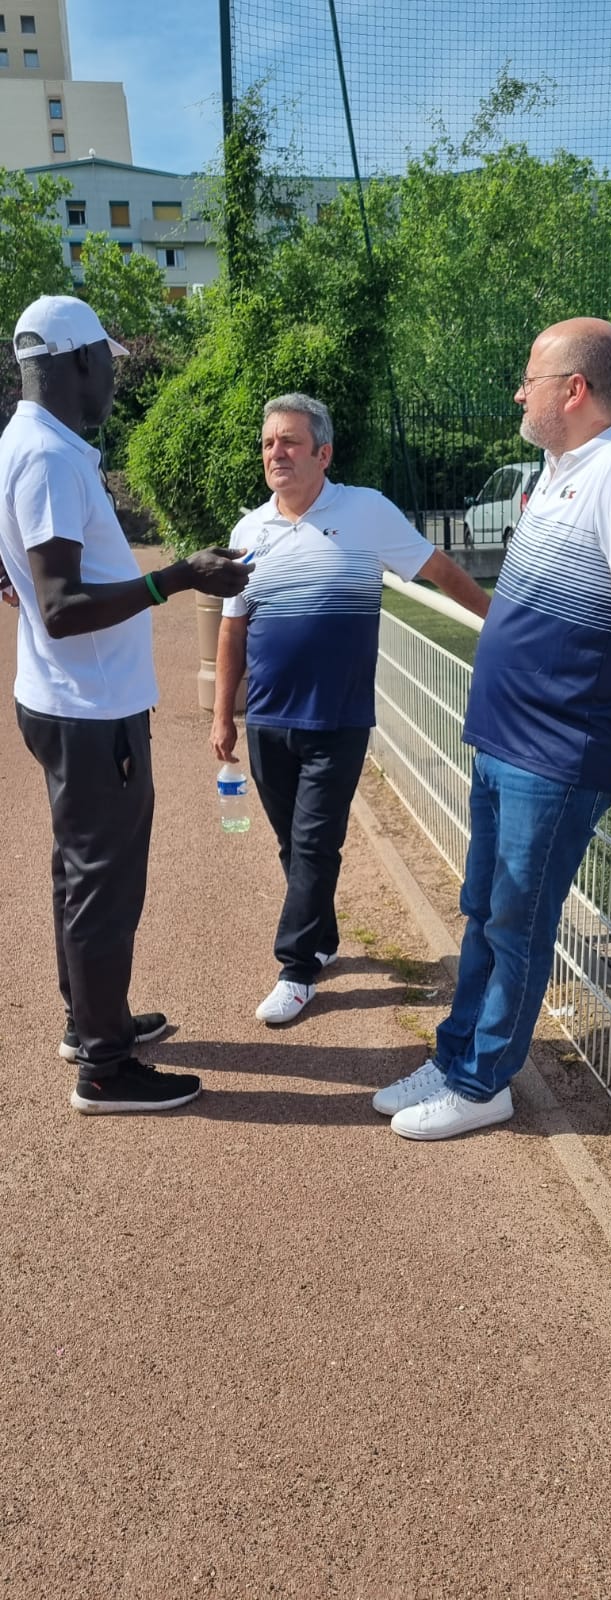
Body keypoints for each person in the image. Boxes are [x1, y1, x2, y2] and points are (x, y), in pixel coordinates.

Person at [374, 316, 611, 1140]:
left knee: (514, 921)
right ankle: (458, 1055)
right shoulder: (566, 466)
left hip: (559, 751)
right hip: (509, 737)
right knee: (484, 908)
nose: (517, 393)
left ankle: (485, 1080)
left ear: (574, 389)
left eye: (529, 378)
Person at [0, 294, 253, 1115]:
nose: (114, 375)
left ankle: (90, 1021)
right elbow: (65, 607)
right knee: (104, 885)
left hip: (64, 701)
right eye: (107, 360)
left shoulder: (26, 441)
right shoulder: (51, 457)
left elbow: (40, 583)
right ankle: (105, 1068)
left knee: (80, 873)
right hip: (88, 707)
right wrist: (176, 578)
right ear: (78, 363)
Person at [211, 391, 490, 1024]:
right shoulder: (249, 531)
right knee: (293, 843)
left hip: (337, 719)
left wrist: (499, 627)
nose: (275, 453)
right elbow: (234, 626)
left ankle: (297, 967)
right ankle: (323, 936)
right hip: (268, 720)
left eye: (289, 441)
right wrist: (221, 714)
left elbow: (440, 569)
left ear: (323, 452)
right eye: (267, 443)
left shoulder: (366, 512)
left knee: (314, 843)